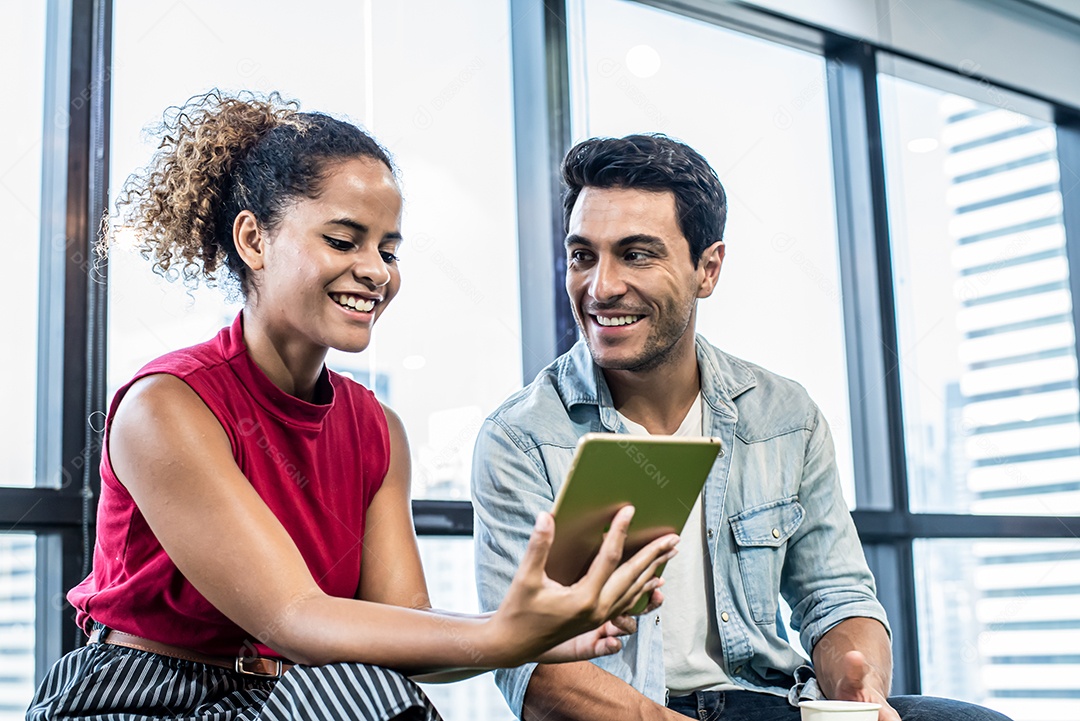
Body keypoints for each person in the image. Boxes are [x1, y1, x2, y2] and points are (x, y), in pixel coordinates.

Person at [26, 94, 680, 721]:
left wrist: (535, 633)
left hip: (299, 697)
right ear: (253, 240)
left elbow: (409, 632)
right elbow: (294, 617)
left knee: (366, 687)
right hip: (147, 697)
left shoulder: (377, 429)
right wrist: (505, 634)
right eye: (344, 241)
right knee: (356, 691)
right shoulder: (166, 406)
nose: (376, 270)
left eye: (388, 250)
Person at [472, 134, 1012, 721]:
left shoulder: (783, 416)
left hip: (764, 703)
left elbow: (836, 597)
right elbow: (531, 668)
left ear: (708, 268)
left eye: (636, 254)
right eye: (583, 256)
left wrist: (860, 690)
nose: (601, 287)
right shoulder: (520, 437)